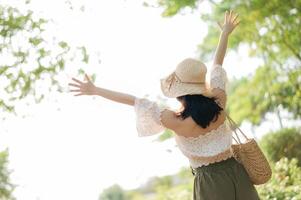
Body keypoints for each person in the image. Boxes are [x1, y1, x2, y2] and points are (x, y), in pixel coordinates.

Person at [68, 10, 260, 200]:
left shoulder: (174, 120)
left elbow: (133, 100)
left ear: (179, 93)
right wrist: (225, 33)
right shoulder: (218, 101)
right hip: (237, 173)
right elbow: (217, 63)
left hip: (209, 182)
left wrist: (95, 90)